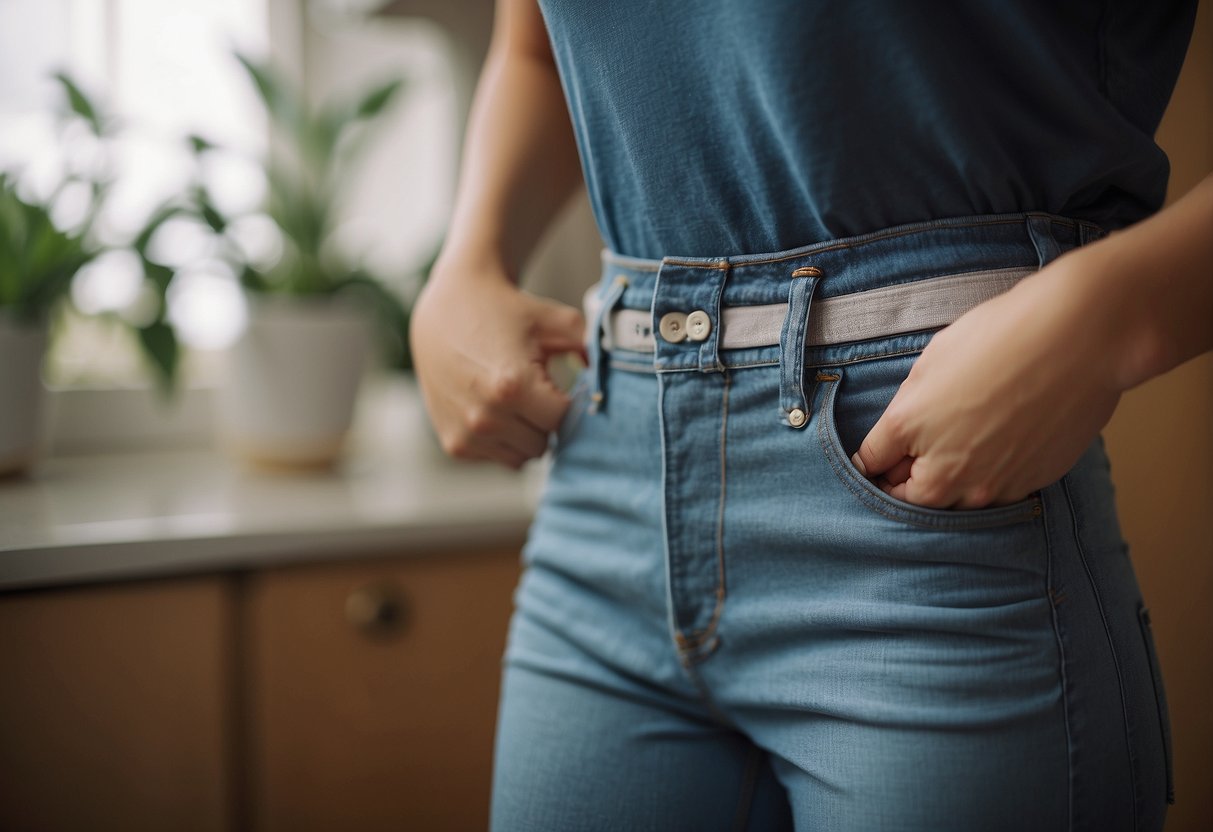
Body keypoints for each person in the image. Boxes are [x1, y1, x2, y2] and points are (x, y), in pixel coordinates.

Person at [411, 1, 1210, 829]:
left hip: (928, 500)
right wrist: (468, 259)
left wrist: (1108, 318)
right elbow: (534, 48)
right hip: (608, 506)